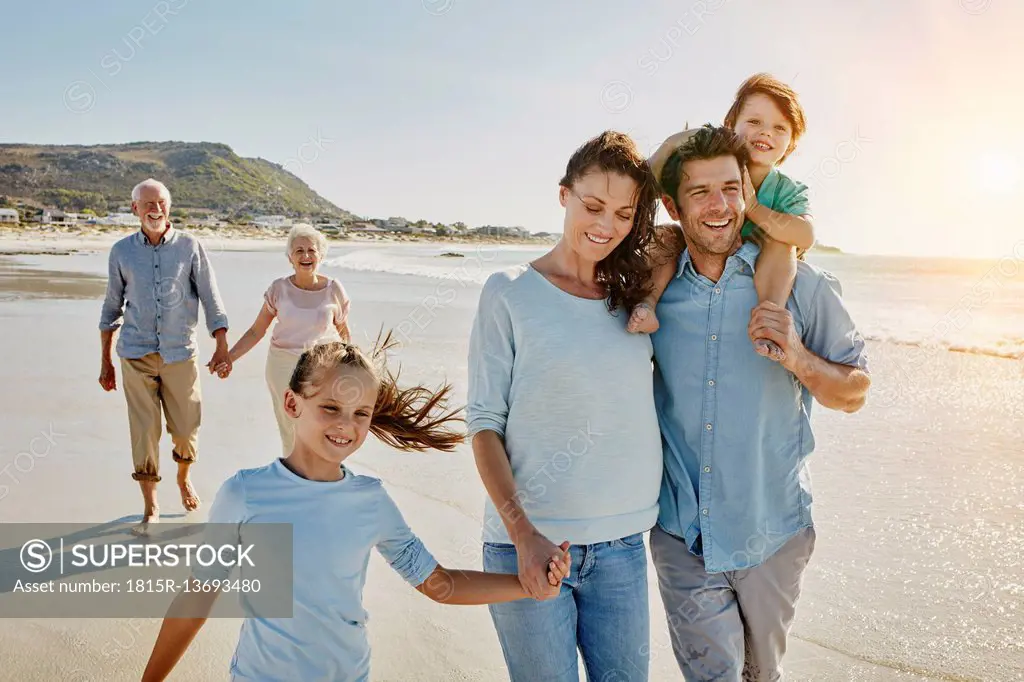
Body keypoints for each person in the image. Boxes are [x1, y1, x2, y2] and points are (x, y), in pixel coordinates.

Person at [141, 335, 571, 682]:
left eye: (360, 413)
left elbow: (438, 584)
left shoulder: (371, 501)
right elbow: (196, 599)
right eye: (330, 408)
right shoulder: (246, 493)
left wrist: (527, 585)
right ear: (293, 404)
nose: (346, 425)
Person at [644, 124, 871, 681]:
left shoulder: (801, 286)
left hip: (773, 533)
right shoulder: (653, 293)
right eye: (700, 193)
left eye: (731, 187)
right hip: (683, 536)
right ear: (674, 207)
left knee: (762, 676)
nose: (720, 206)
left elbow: (854, 392)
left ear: (748, 189)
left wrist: (797, 357)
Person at [467, 131, 665, 681]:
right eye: (592, 205)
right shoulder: (508, 292)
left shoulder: (636, 294)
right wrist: (523, 534)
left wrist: (663, 151)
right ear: (563, 195)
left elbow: (692, 229)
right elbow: (483, 426)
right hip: (528, 545)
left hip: (624, 547)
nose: (606, 225)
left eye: (625, 214)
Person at [629, 73, 815, 364]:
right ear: (731, 126)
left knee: (783, 243)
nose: (766, 133)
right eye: (754, 122)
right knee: (667, 235)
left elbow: (806, 235)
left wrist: (754, 209)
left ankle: (768, 316)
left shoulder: (785, 189)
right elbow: (640, 186)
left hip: (764, 264)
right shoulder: (706, 163)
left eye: (780, 128)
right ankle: (647, 303)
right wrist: (673, 143)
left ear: (791, 144)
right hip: (708, 252)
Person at [98, 178, 231, 533]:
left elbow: (210, 297)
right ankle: (150, 505)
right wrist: (105, 360)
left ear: (169, 207)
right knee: (144, 432)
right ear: (134, 209)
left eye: (161, 203)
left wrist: (221, 345)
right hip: (135, 354)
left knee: (187, 428)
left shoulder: (190, 246)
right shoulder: (121, 252)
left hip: (180, 354)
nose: (155, 209)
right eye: (147, 203)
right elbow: (111, 307)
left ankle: (183, 477)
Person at [220, 224, 352, 454]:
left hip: (321, 367)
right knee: (291, 424)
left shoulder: (334, 289)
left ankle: (322, 472)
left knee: (322, 422)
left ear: (321, 255)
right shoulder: (279, 289)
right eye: (299, 251)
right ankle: (295, 475)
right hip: (282, 365)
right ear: (290, 258)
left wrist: (353, 367)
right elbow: (256, 331)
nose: (306, 256)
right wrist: (229, 358)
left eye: (311, 250)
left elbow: (343, 332)